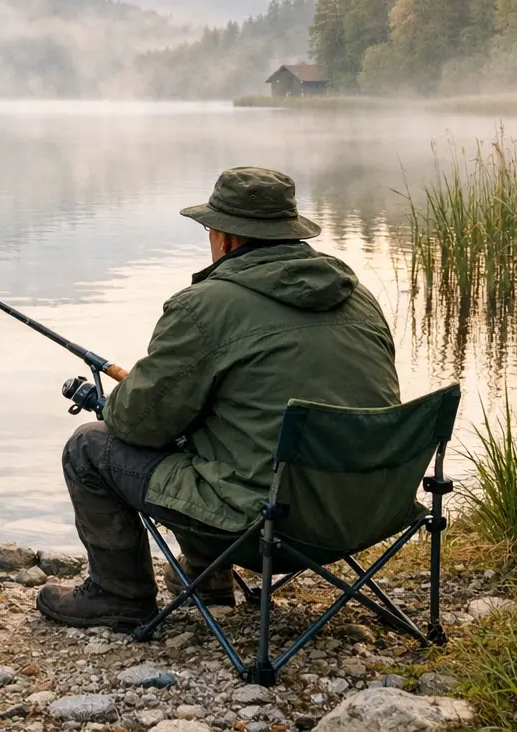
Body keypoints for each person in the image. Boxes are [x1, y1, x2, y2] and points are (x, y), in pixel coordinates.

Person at [37, 166, 401, 628]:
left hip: (271, 526)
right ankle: (205, 580)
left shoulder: (204, 307)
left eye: (210, 230)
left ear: (226, 240)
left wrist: (122, 399)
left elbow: (136, 424)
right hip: (371, 511)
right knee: (224, 426)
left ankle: (118, 595)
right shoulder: (359, 297)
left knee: (88, 446)